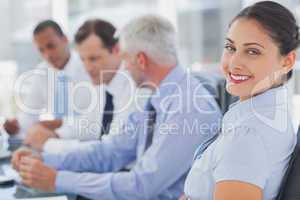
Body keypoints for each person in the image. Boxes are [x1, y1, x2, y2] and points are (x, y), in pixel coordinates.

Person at [12, 15, 222, 199]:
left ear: (140, 60)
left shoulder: (187, 108)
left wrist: (57, 179)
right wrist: (46, 160)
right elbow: (112, 150)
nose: (124, 67)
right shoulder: (156, 98)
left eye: (125, 59)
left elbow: (142, 185)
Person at [182, 1, 299, 200]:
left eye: (252, 51)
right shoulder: (263, 116)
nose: (234, 62)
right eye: (230, 47)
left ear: (287, 62)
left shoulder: (247, 136)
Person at [24, 19, 150, 153]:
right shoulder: (105, 84)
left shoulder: (135, 88)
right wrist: (57, 134)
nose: (87, 68)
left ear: (116, 50)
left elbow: (111, 151)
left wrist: (49, 144)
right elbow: (91, 123)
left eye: (94, 59)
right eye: (83, 59)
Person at [4, 20, 89, 140]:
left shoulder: (88, 66)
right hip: (55, 142)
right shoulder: (42, 71)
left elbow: (97, 118)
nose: (47, 55)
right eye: (41, 50)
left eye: (51, 46)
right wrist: (16, 125)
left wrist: (61, 123)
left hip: (86, 140)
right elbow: (30, 111)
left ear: (65, 39)